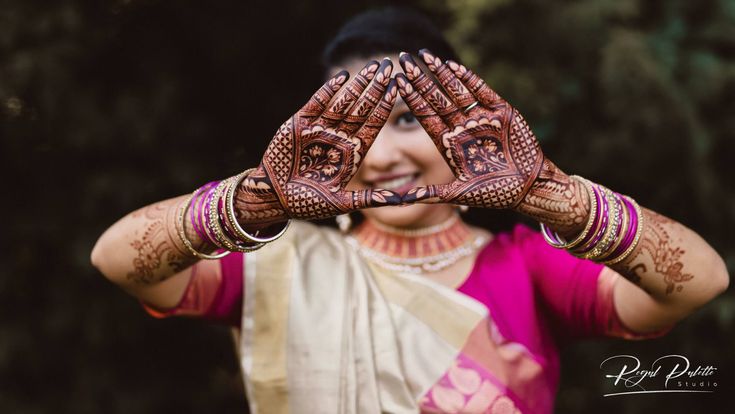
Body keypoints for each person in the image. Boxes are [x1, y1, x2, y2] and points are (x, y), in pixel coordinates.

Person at [91, 8, 729, 414]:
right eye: (355, 126)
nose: (382, 154)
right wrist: (260, 197)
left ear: (465, 125)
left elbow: (698, 281)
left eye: (406, 120)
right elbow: (119, 261)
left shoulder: (529, 267)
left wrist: (547, 193)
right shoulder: (282, 266)